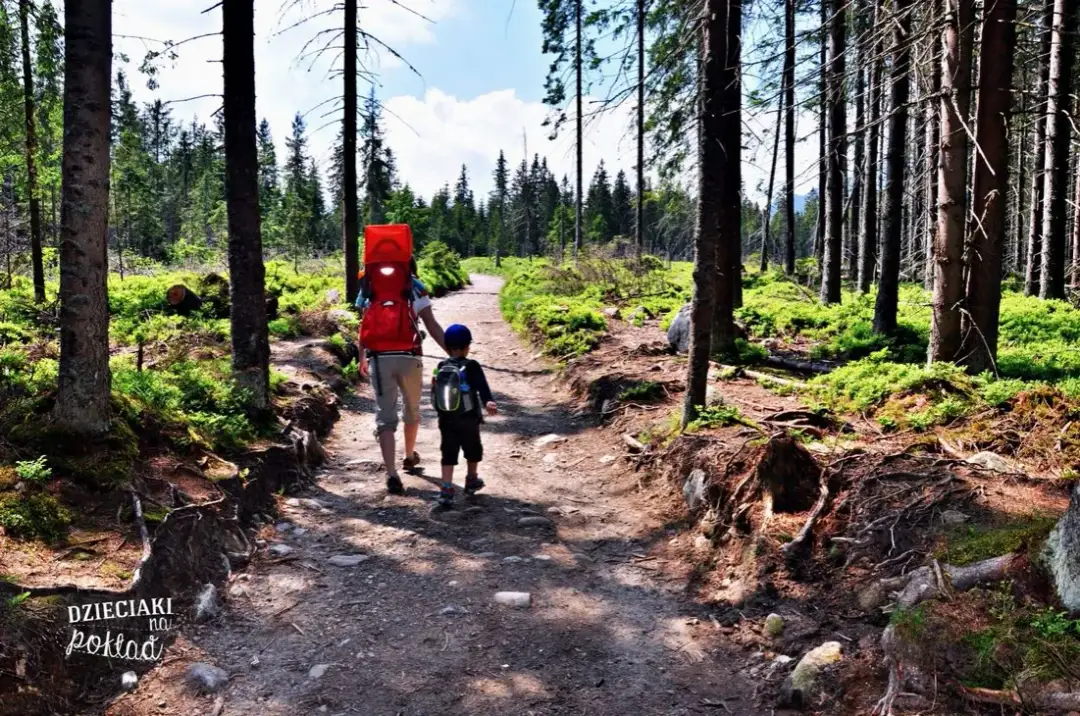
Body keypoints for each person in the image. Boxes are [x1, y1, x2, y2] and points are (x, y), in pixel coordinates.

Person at [356, 257, 448, 495]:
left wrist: (362, 356)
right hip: (410, 355)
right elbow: (432, 325)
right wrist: (454, 354)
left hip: (378, 357)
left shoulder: (369, 285)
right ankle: (409, 456)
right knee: (412, 408)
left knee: (385, 416)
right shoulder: (415, 287)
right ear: (411, 267)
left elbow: (364, 323)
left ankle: (391, 473)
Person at [431, 324, 497, 507]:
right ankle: (471, 479)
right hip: (468, 418)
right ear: (467, 346)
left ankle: (446, 488)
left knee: (448, 453)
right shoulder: (472, 366)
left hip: (446, 419)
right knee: (473, 449)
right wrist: (488, 402)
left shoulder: (441, 365)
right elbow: (482, 387)